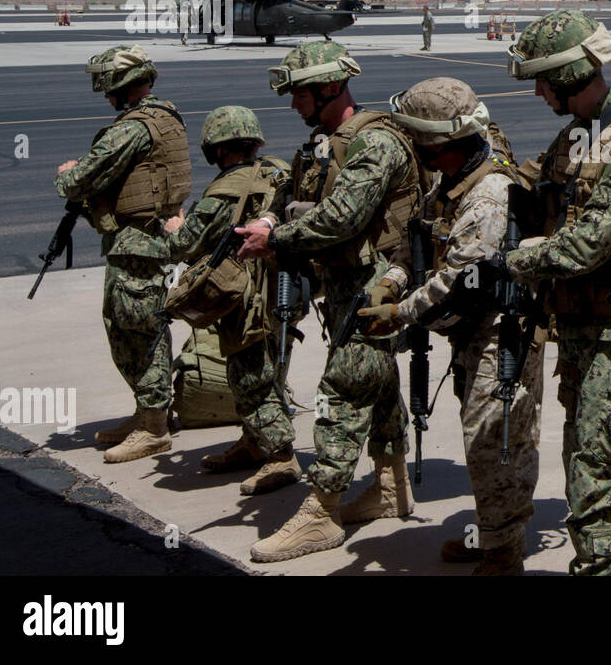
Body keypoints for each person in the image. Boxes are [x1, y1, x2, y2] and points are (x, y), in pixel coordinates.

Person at [501, 9, 611, 576]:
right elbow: (528, 180)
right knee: (585, 463)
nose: (536, 92)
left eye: (541, 80)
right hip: (585, 333)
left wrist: (507, 261)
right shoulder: (578, 135)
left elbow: (585, 247)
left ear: (567, 75)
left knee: (600, 476)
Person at [235, 40, 425, 563]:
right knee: (378, 383)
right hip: (345, 281)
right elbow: (292, 197)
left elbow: (341, 218)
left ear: (329, 87)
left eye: (300, 94)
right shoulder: (324, 142)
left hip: (379, 282)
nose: (294, 105)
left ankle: (323, 509)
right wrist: (271, 220)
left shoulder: (375, 142)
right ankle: (391, 487)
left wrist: (274, 240)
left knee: (342, 386)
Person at [357, 78, 542, 575]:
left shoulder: (488, 195)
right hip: (470, 332)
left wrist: (399, 313)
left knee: (496, 441)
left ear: (439, 143)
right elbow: (417, 239)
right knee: (481, 438)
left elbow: (456, 282)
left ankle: (503, 555)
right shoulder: (451, 180)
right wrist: (391, 282)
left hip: (501, 333)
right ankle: (493, 532)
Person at [55, 45, 192, 463]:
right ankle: (148, 413)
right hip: (144, 240)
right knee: (131, 327)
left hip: (138, 244)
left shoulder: (132, 128)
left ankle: (153, 427)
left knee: (136, 332)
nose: (102, 92)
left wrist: (67, 174)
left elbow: (79, 181)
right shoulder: (165, 115)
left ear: (120, 83)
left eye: (105, 83)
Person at [162, 106, 300, 495]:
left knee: (249, 376)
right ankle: (254, 441)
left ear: (217, 149)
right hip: (285, 288)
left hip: (246, 298)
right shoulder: (277, 171)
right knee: (272, 367)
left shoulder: (221, 193)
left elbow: (181, 246)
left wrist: (175, 226)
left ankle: (280, 456)